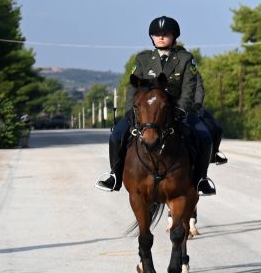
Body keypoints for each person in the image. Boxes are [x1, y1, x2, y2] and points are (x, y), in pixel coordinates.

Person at [94, 15, 216, 195]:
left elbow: (189, 86)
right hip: (144, 111)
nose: (161, 37)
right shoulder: (143, 59)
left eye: (165, 34)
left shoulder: (185, 58)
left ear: (174, 36)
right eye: (157, 34)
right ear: (151, 37)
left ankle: (201, 180)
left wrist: (182, 108)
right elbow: (132, 86)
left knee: (205, 136)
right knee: (116, 135)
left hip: (176, 110)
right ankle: (115, 176)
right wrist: (130, 110)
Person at [192, 67, 227, 165]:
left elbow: (199, 88)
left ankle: (214, 154)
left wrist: (197, 103)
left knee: (217, 128)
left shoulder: (191, 69)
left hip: (192, 106)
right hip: (167, 106)